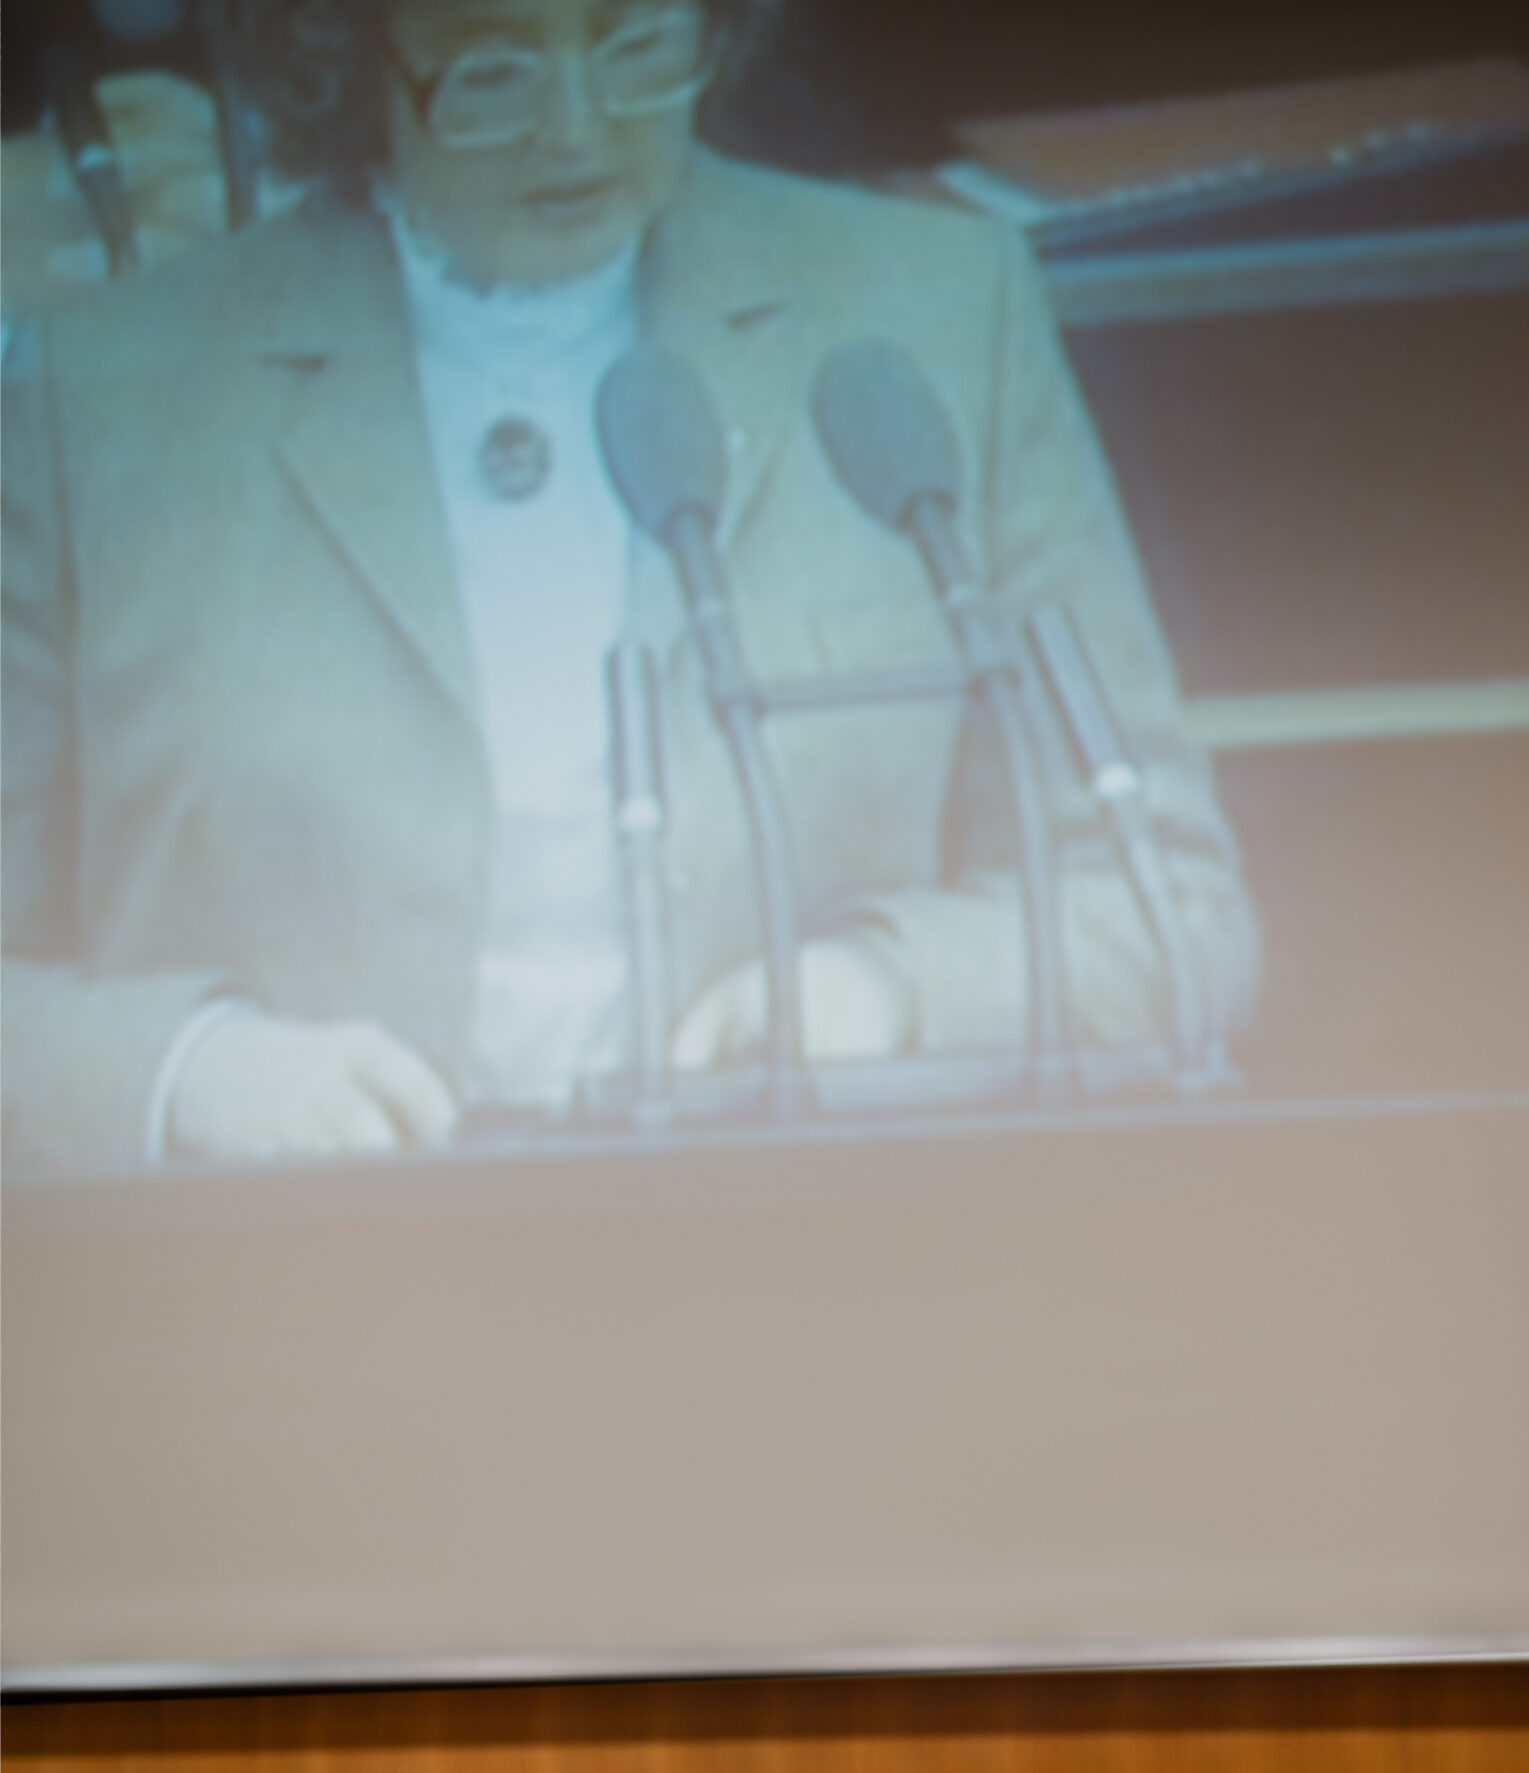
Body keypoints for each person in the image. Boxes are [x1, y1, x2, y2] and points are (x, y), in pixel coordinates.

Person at [2, 0, 1260, 1175]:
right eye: (492, 70)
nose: (577, 125)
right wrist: (187, 1074)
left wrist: (880, 996)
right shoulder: (104, 397)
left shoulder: (932, 314)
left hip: (809, 1280)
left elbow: (1170, 917)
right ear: (345, 50)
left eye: (639, 44)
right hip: (297, 1314)